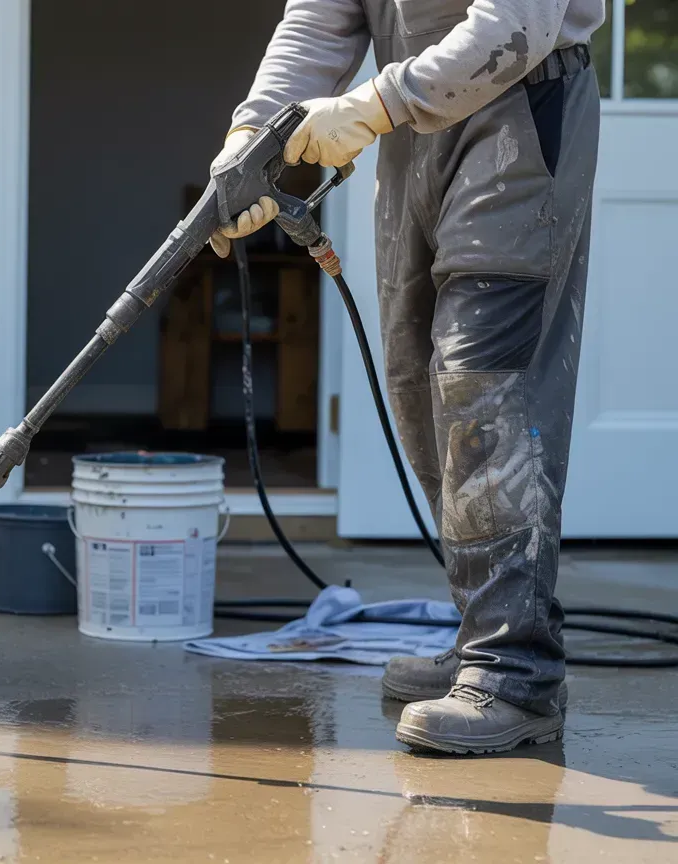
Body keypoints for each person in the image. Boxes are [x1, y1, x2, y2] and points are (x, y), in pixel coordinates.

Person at [210, 1, 603, 754]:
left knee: (481, 381)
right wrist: (252, 135)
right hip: (415, 133)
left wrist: (374, 104)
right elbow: (322, 17)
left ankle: (513, 672)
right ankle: (485, 631)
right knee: (416, 379)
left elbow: (516, 22)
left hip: (520, 106)